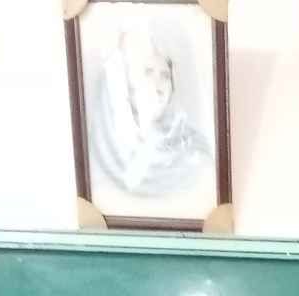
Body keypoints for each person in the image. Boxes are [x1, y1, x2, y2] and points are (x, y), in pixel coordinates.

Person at [89, 26, 211, 198]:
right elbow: (130, 182)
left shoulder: (189, 140)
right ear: (131, 87)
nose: (157, 82)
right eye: (148, 72)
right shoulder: (116, 139)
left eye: (165, 75)